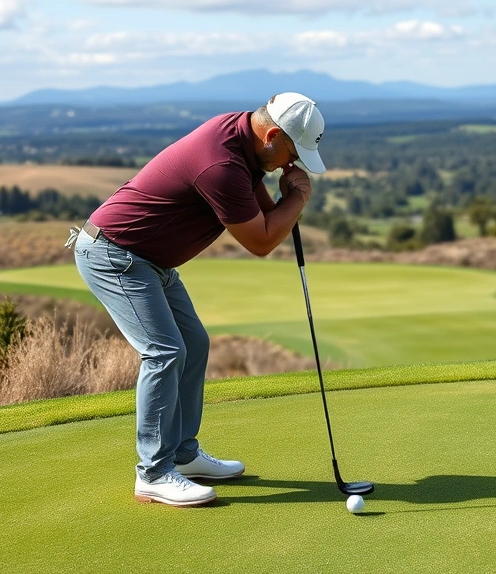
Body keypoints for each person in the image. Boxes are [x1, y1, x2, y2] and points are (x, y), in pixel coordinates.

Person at [68, 92, 326, 507]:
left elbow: (262, 214)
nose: (290, 165)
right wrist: (297, 198)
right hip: (115, 254)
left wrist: (285, 200)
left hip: (151, 259)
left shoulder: (243, 140)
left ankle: (184, 456)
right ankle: (153, 473)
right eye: (292, 153)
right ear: (273, 134)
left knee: (195, 344)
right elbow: (260, 240)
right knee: (164, 352)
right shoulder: (221, 164)